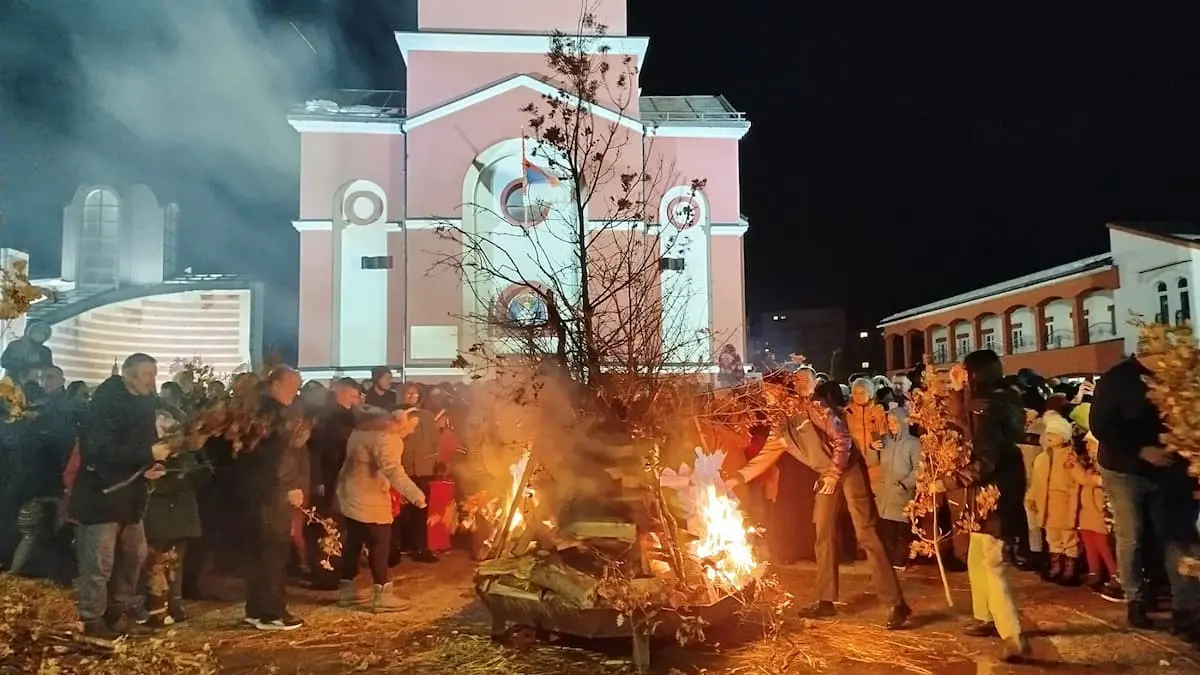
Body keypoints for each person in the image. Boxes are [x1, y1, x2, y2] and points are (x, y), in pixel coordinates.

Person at [730, 366, 910, 630]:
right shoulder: (782, 425)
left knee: (866, 534)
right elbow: (765, 456)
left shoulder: (816, 408)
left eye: (770, 391)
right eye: (765, 392)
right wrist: (737, 478)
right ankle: (825, 601)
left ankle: (897, 604)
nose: (766, 396)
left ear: (782, 391)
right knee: (822, 533)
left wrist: (834, 473)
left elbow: (843, 440)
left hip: (847, 470)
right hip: (827, 474)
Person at [1090, 346, 1200, 637]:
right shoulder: (1117, 380)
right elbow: (1100, 425)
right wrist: (1141, 450)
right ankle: (1135, 598)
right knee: (1133, 534)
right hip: (1124, 468)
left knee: (1178, 535)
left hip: (1172, 469)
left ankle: (1186, 610)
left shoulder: (1179, 377)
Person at [69, 353, 172, 639]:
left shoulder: (145, 404)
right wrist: (146, 454)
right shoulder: (104, 406)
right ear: (128, 376)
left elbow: (146, 443)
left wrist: (150, 466)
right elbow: (100, 452)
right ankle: (92, 619)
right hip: (102, 497)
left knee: (134, 555)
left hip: (130, 496)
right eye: (147, 374)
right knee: (99, 562)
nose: (153, 380)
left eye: (154, 373)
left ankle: (118, 609)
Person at [942, 351, 1030, 662]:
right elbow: (961, 423)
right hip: (997, 486)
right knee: (977, 556)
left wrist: (951, 481)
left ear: (976, 374)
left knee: (993, 563)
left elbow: (985, 457)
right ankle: (985, 616)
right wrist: (955, 390)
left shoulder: (987, 407)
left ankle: (1013, 636)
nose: (962, 376)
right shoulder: (1004, 398)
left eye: (965, 372)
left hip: (992, 491)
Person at [237, 366, 308, 631]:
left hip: (257, 492)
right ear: (276, 384)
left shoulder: (257, 411)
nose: (296, 392)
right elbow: (278, 457)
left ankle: (256, 610)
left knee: (260, 553)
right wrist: (290, 485)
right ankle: (272, 613)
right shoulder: (274, 415)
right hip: (273, 493)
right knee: (273, 552)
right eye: (293, 386)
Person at [336, 407, 427, 612]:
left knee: (353, 542)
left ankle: (347, 591)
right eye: (411, 427)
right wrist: (416, 495)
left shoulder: (361, 430)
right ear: (401, 422)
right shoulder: (387, 438)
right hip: (370, 498)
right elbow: (393, 470)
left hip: (349, 492)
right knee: (379, 544)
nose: (411, 432)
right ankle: (383, 595)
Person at [305, 377, 361, 590]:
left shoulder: (348, 416)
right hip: (329, 479)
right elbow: (317, 450)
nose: (357, 400)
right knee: (327, 525)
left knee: (339, 525)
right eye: (355, 395)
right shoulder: (329, 417)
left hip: (341, 477)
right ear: (343, 393)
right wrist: (318, 479)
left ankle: (335, 569)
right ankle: (324, 573)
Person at [394, 383, 440, 564]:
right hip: (401, 470)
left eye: (415, 394)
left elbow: (434, 441)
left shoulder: (427, 416)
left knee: (420, 511)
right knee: (398, 512)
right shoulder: (394, 416)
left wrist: (433, 461)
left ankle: (421, 548)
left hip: (423, 470)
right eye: (408, 394)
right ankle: (394, 549)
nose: (412, 397)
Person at [876, 407, 920, 569]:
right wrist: (873, 448)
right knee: (887, 530)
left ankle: (900, 560)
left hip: (902, 493)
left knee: (901, 531)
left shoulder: (913, 444)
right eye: (889, 422)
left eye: (895, 422)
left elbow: (919, 468)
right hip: (886, 494)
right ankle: (888, 560)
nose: (892, 425)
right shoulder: (885, 441)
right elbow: (874, 460)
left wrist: (905, 484)